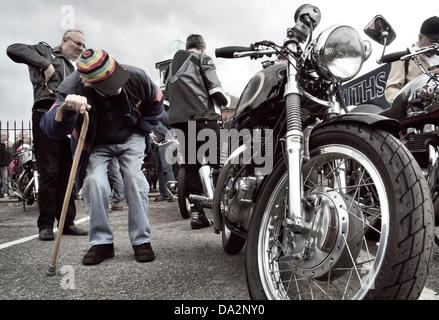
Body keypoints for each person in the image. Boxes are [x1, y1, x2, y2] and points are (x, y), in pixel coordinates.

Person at [40, 48, 164, 265]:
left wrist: (142, 129)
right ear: (89, 84)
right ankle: (102, 243)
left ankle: (141, 241)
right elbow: (51, 129)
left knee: (134, 180)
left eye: (116, 80)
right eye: (108, 86)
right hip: (94, 141)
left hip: (130, 135)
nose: (117, 87)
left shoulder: (135, 76)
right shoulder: (72, 87)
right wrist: (68, 109)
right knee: (93, 183)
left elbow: (156, 104)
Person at [7, 30, 88, 240]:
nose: (80, 48)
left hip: (69, 120)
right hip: (46, 113)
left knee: (67, 174)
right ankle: (45, 225)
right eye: (77, 43)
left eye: (83, 46)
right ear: (64, 41)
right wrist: (46, 64)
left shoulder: (75, 69)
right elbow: (13, 49)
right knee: (49, 171)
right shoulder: (46, 52)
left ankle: (67, 222)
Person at [165, 34, 230, 229]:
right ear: (202, 47)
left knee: (191, 165)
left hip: (180, 121)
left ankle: (197, 214)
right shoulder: (203, 59)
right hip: (203, 117)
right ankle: (224, 213)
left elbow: (167, 101)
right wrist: (225, 100)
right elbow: (215, 90)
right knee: (217, 163)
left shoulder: (171, 67)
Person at [385, 16, 439, 104]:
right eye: (433, 42)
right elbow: (392, 88)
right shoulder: (404, 58)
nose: (437, 46)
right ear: (420, 38)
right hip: (416, 112)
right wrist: (407, 102)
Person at [151, 107, 176, 202]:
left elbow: (170, 124)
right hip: (157, 143)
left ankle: (172, 193)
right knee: (159, 170)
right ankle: (165, 194)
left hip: (165, 142)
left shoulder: (160, 111)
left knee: (166, 168)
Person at [0, 132, 12, 198]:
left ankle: (9, 192)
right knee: (5, 179)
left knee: (6, 179)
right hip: (2, 164)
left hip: (4, 164)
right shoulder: (2, 145)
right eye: (7, 136)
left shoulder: (3, 144)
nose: (8, 137)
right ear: (2, 136)